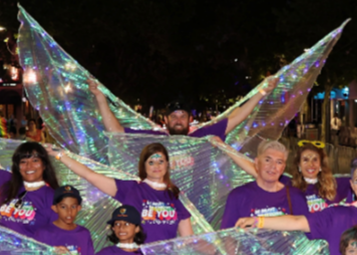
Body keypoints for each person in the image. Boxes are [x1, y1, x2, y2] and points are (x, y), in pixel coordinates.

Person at [53, 142, 192, 243]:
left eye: (160, 161)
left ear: (167, 164)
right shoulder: (131, 189)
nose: (156, 166)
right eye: (151, 162)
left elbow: (189, 241)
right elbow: (90, 175)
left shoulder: (174, 197)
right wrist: (60, 155)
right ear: (143, 166)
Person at [91, 77, 275, 138]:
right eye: (174, 116)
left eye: (182, 116)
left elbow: (237, 117)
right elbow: (116, 131)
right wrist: (100, 97)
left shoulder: (201, 136)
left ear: (190, 119)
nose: (178, 121)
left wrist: (262, 92)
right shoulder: (155, 139)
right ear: (165, 120)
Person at [219, 140, 309, 230]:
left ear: (283, 168)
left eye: (279, 162)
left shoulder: (295, 196)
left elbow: (307, 230)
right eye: (267, 160)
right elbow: (227, 235)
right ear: (257, 163)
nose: (273, 166)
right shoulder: (238, 196)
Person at [30, 185, 95, 255]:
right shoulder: (43, 233)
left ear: (79, 208)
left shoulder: (84, 233)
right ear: (55, 208)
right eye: (63, 207)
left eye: (73, 207)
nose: (69, 212)